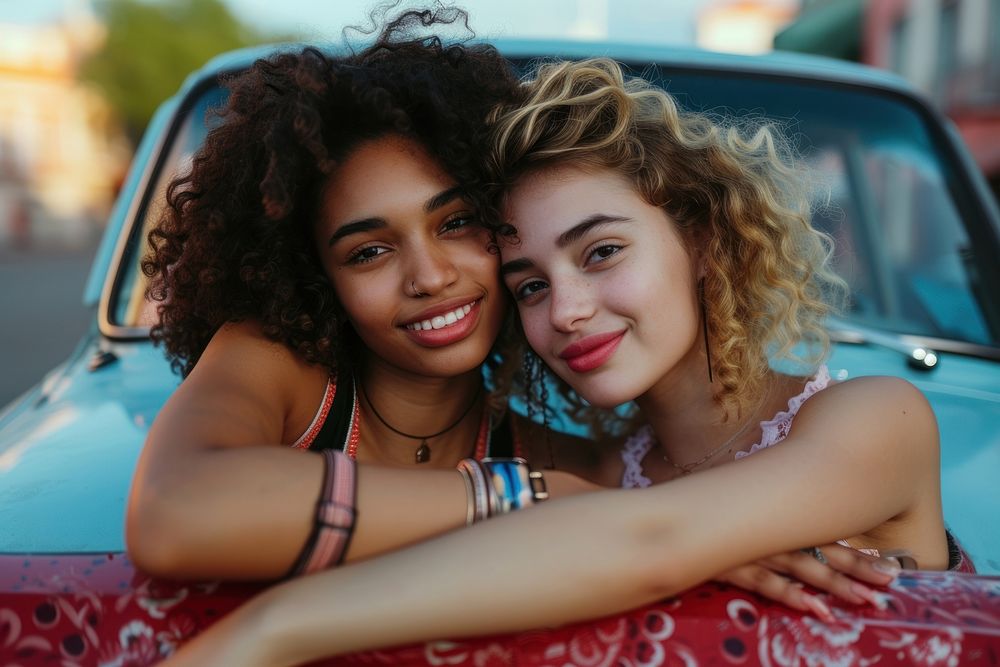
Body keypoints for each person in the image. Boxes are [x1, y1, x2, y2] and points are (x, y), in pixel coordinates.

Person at [157, 57, 962, 667]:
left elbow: (646, 543)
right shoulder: (607, 472)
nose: (566, 309)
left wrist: (273, 629)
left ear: (703, 239)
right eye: (530, 283)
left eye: (603, 250)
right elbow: (623, 531)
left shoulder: (878, 418)